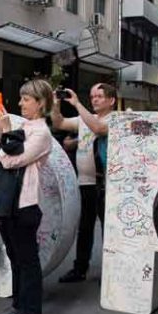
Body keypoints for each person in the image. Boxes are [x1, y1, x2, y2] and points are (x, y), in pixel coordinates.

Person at [0, 79, 53, 314]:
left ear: (40, 103)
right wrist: (1, 133)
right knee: (15, 256)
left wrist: (5, 134)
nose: (20, 103)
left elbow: (10, 160)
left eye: (26, 99)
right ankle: (19, 304)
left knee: (27, 260)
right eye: (21, 98)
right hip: (8, 201)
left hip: (26, 203)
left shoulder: (41, 133)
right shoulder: (24, 127)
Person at [51, 83, 117, 283]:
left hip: (106, 183)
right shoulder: (83, 119)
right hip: (85, 182)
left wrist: (77, 104)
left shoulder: (115, 119)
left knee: (108, 227)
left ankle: (111, 272)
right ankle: (80, 268)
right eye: (92, 96)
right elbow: (59, 124)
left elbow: (98, 128)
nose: (94, 99)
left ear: (111, 100)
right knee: (85, 226)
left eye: (99, 96)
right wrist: (55, 105)